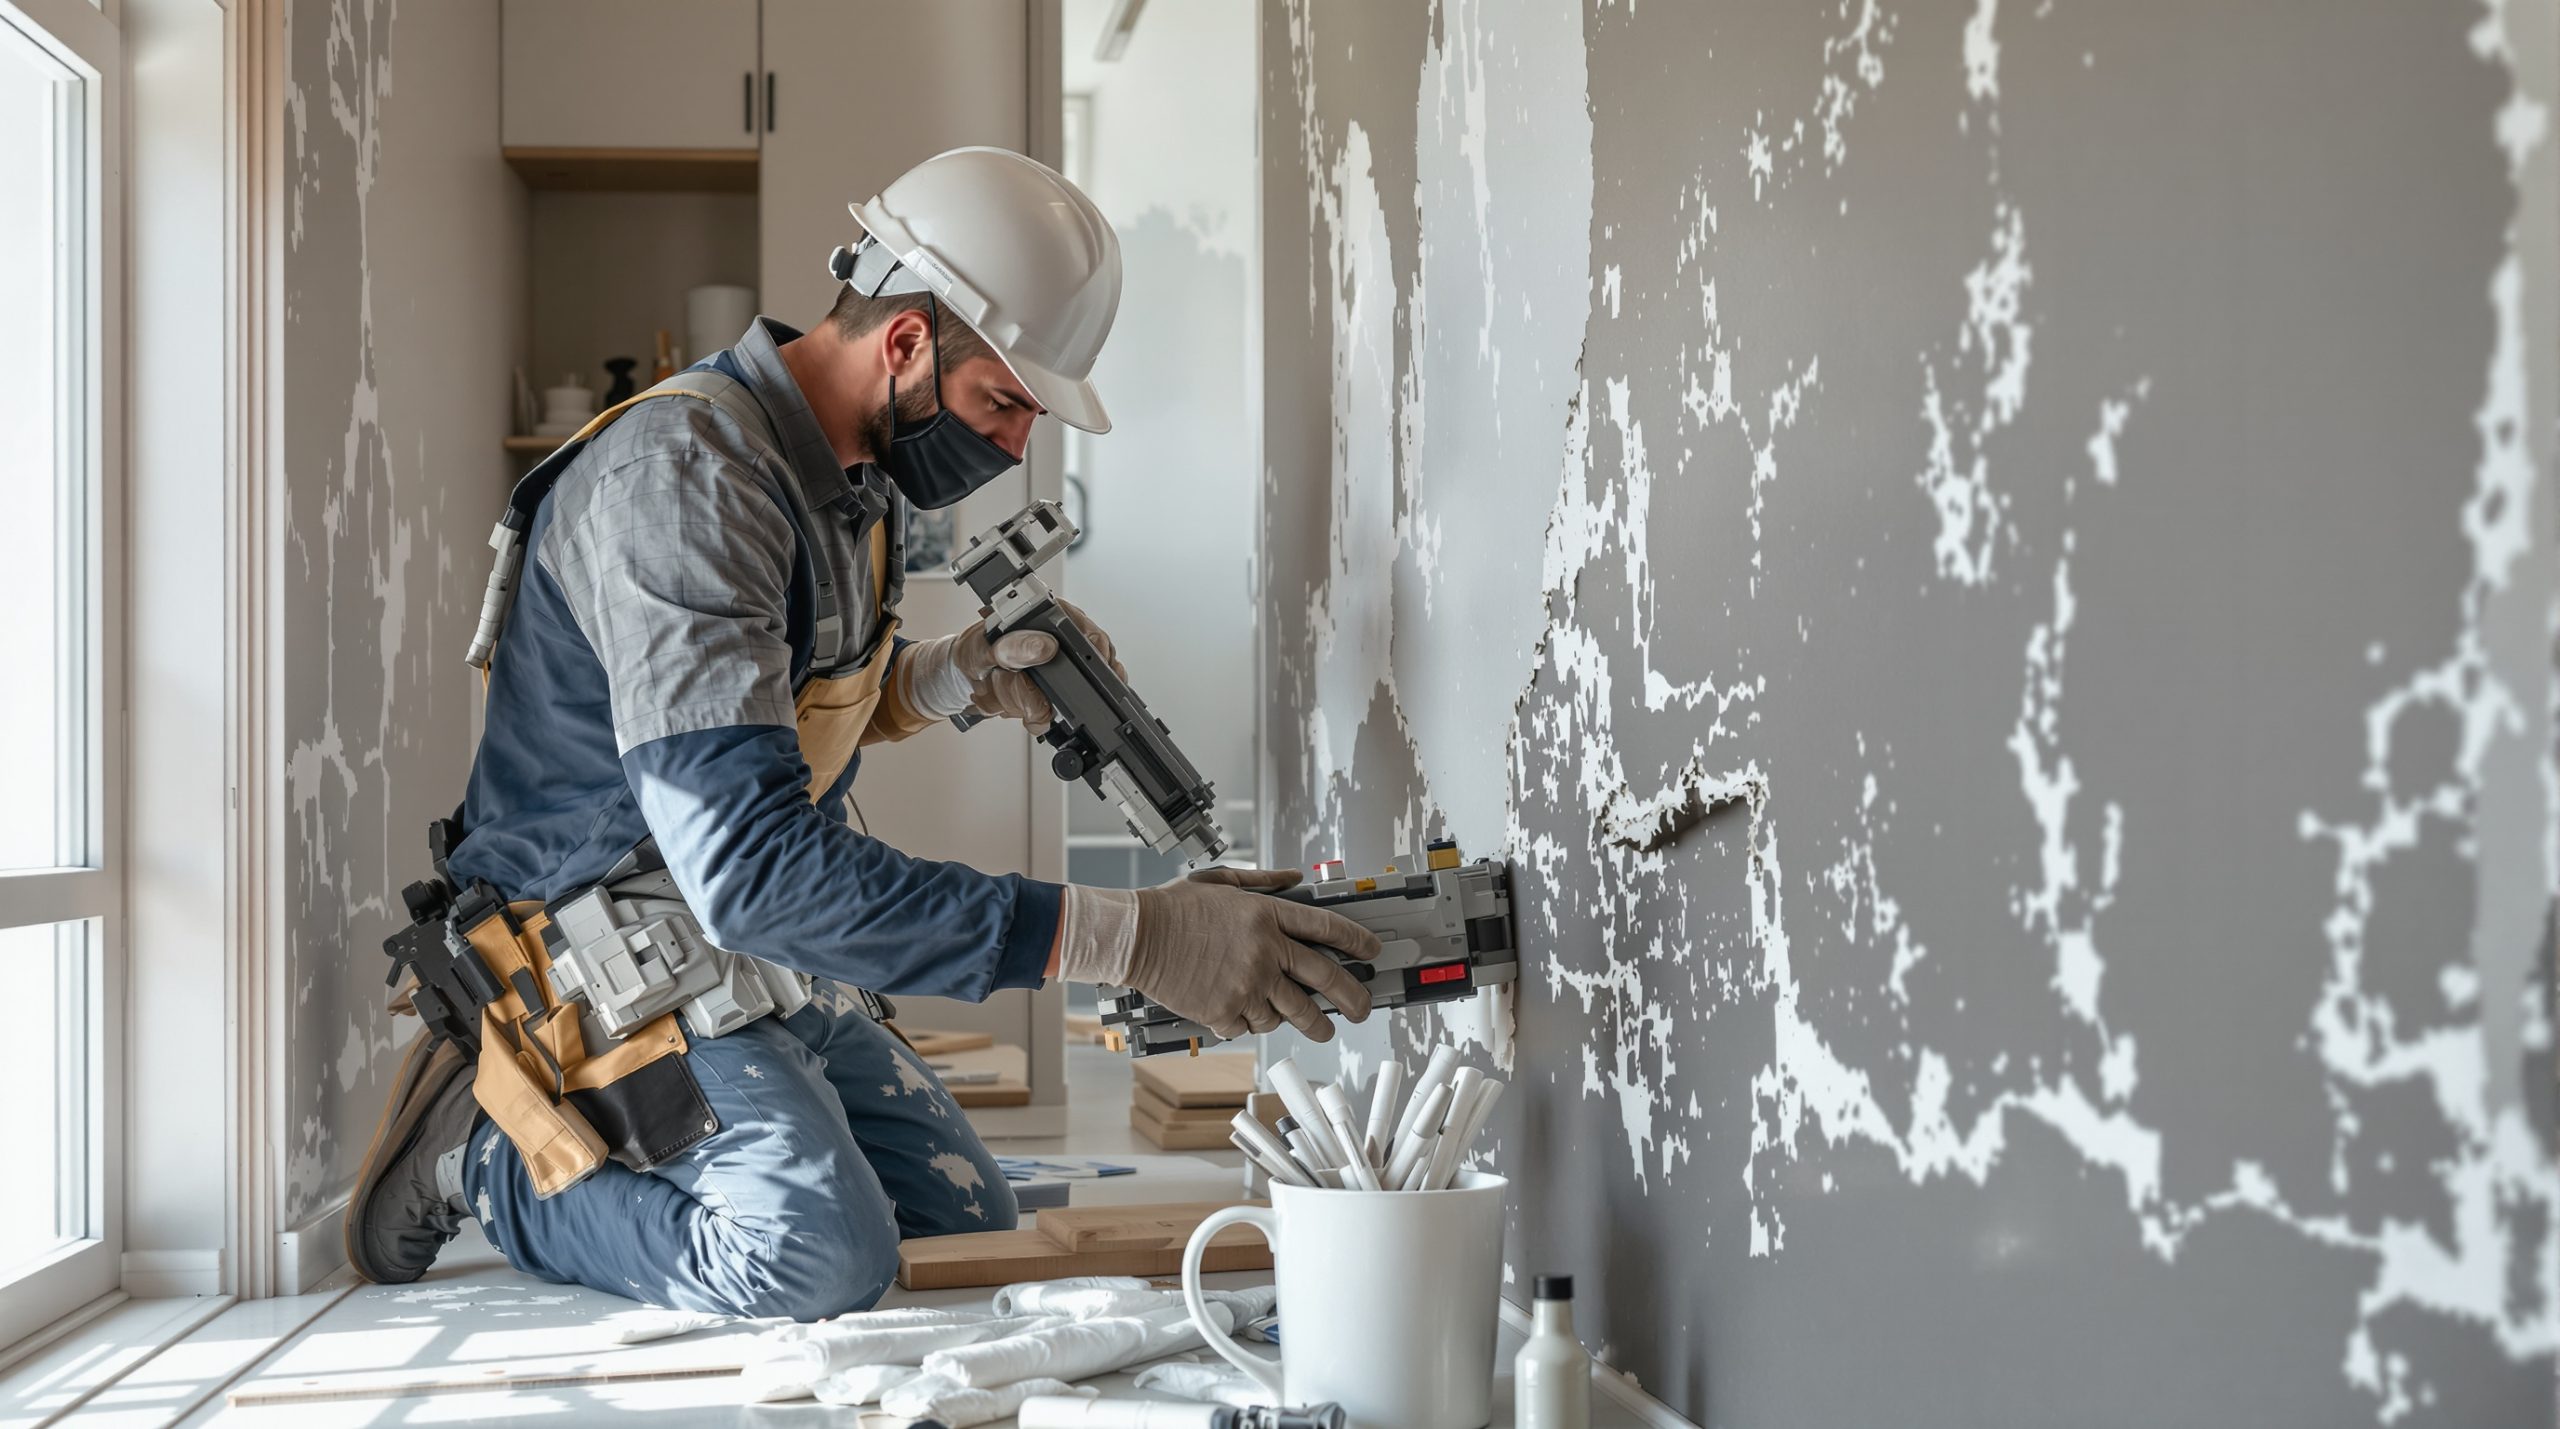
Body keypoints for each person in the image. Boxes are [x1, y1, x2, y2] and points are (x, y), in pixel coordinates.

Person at [343, 148, 1379, 1320]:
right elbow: (755, 870)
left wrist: (961, 675)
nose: (1014, 446)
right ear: (905, 343)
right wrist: (1132, 939)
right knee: (814, 1255)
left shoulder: (848, 480)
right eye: (1002, 403)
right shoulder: (686, 483)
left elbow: (793, 714)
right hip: (600, 933)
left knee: (956, 1217)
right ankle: (480, 1153)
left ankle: (675, 1120)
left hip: (720, 923)